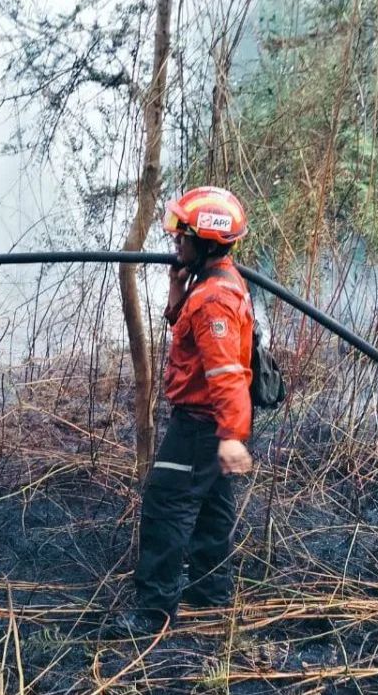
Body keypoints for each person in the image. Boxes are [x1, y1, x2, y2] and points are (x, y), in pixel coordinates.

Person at [105, 186, 255, 638]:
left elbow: (225, 372)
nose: (174, 242)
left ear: (205, 242)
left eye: (181, 235)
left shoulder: (213, 299)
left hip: (200, 424)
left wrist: (231, 436)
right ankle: (210, 593)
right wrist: (176, 289)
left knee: (165, 506)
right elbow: (191, 336)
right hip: (211, 423)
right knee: (211, 507)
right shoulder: (213, 284)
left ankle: (153, 614)